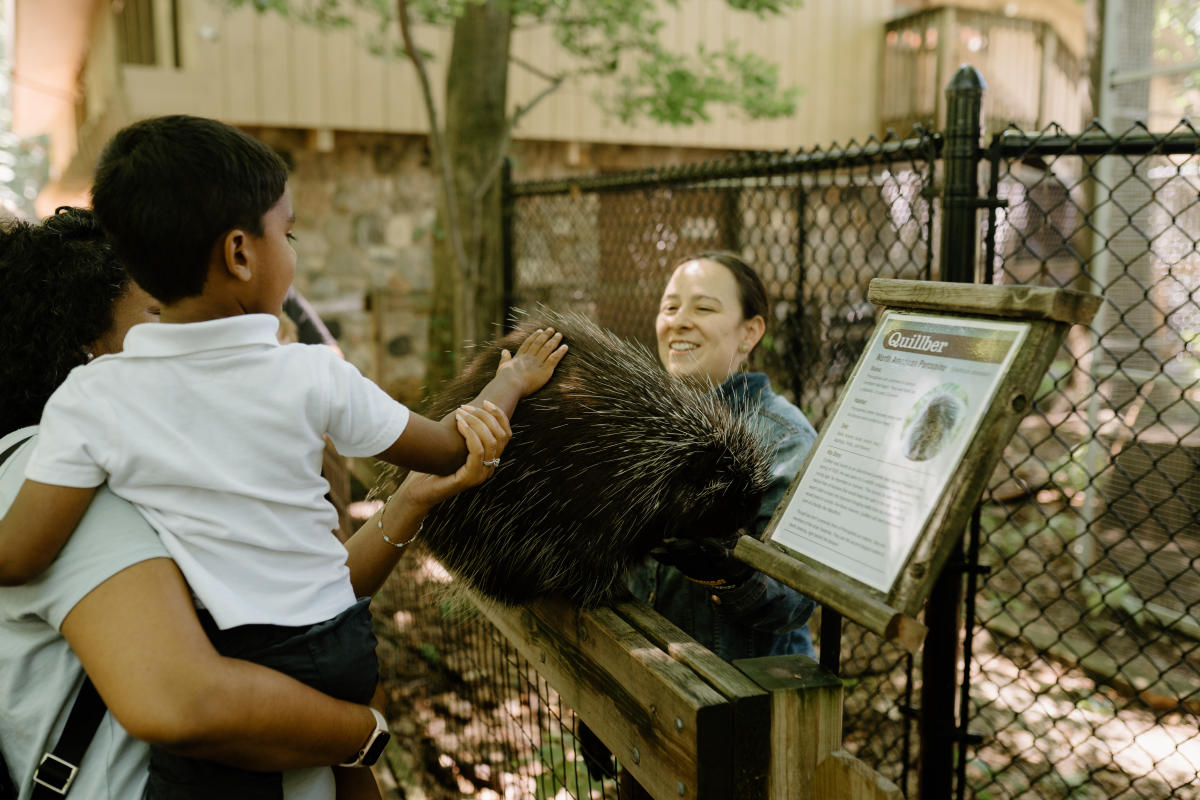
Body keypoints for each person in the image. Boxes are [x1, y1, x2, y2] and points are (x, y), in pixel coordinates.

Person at [0, 115, 566, 799]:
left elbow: (19, 556)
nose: (292, 252)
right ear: (240, 253)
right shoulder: (311, 375)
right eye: (288, 233)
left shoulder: (90, 400)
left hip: (235, 660)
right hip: (341, 648)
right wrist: (508, 383)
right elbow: (449, 448)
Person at [629, 250, 819, 661]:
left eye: (703, 307)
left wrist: (727, 571)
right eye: (670, 306)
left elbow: (793, 602)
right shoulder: (639, 420)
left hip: (734, 695)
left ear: (749, 333)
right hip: (638, 675)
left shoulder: (783, 438)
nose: (678, 320)